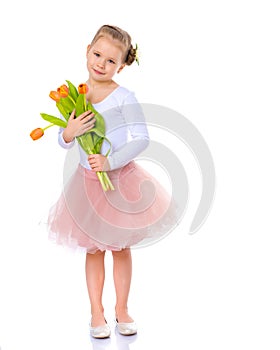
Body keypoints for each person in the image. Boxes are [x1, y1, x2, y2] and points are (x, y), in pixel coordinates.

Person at [47, 24, 177, 339]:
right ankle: (96, 311)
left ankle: (122, 308)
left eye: (110, 61)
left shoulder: (123, 96)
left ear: (122, 66)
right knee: (93, 250)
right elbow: (64, 142)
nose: (101, 64)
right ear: (87, 50)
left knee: (120, 248)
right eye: (97, 54)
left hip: (120, 180)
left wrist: (110, 161)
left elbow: (142, 138)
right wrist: (70, 131)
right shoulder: (75, 95)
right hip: (87, 184)